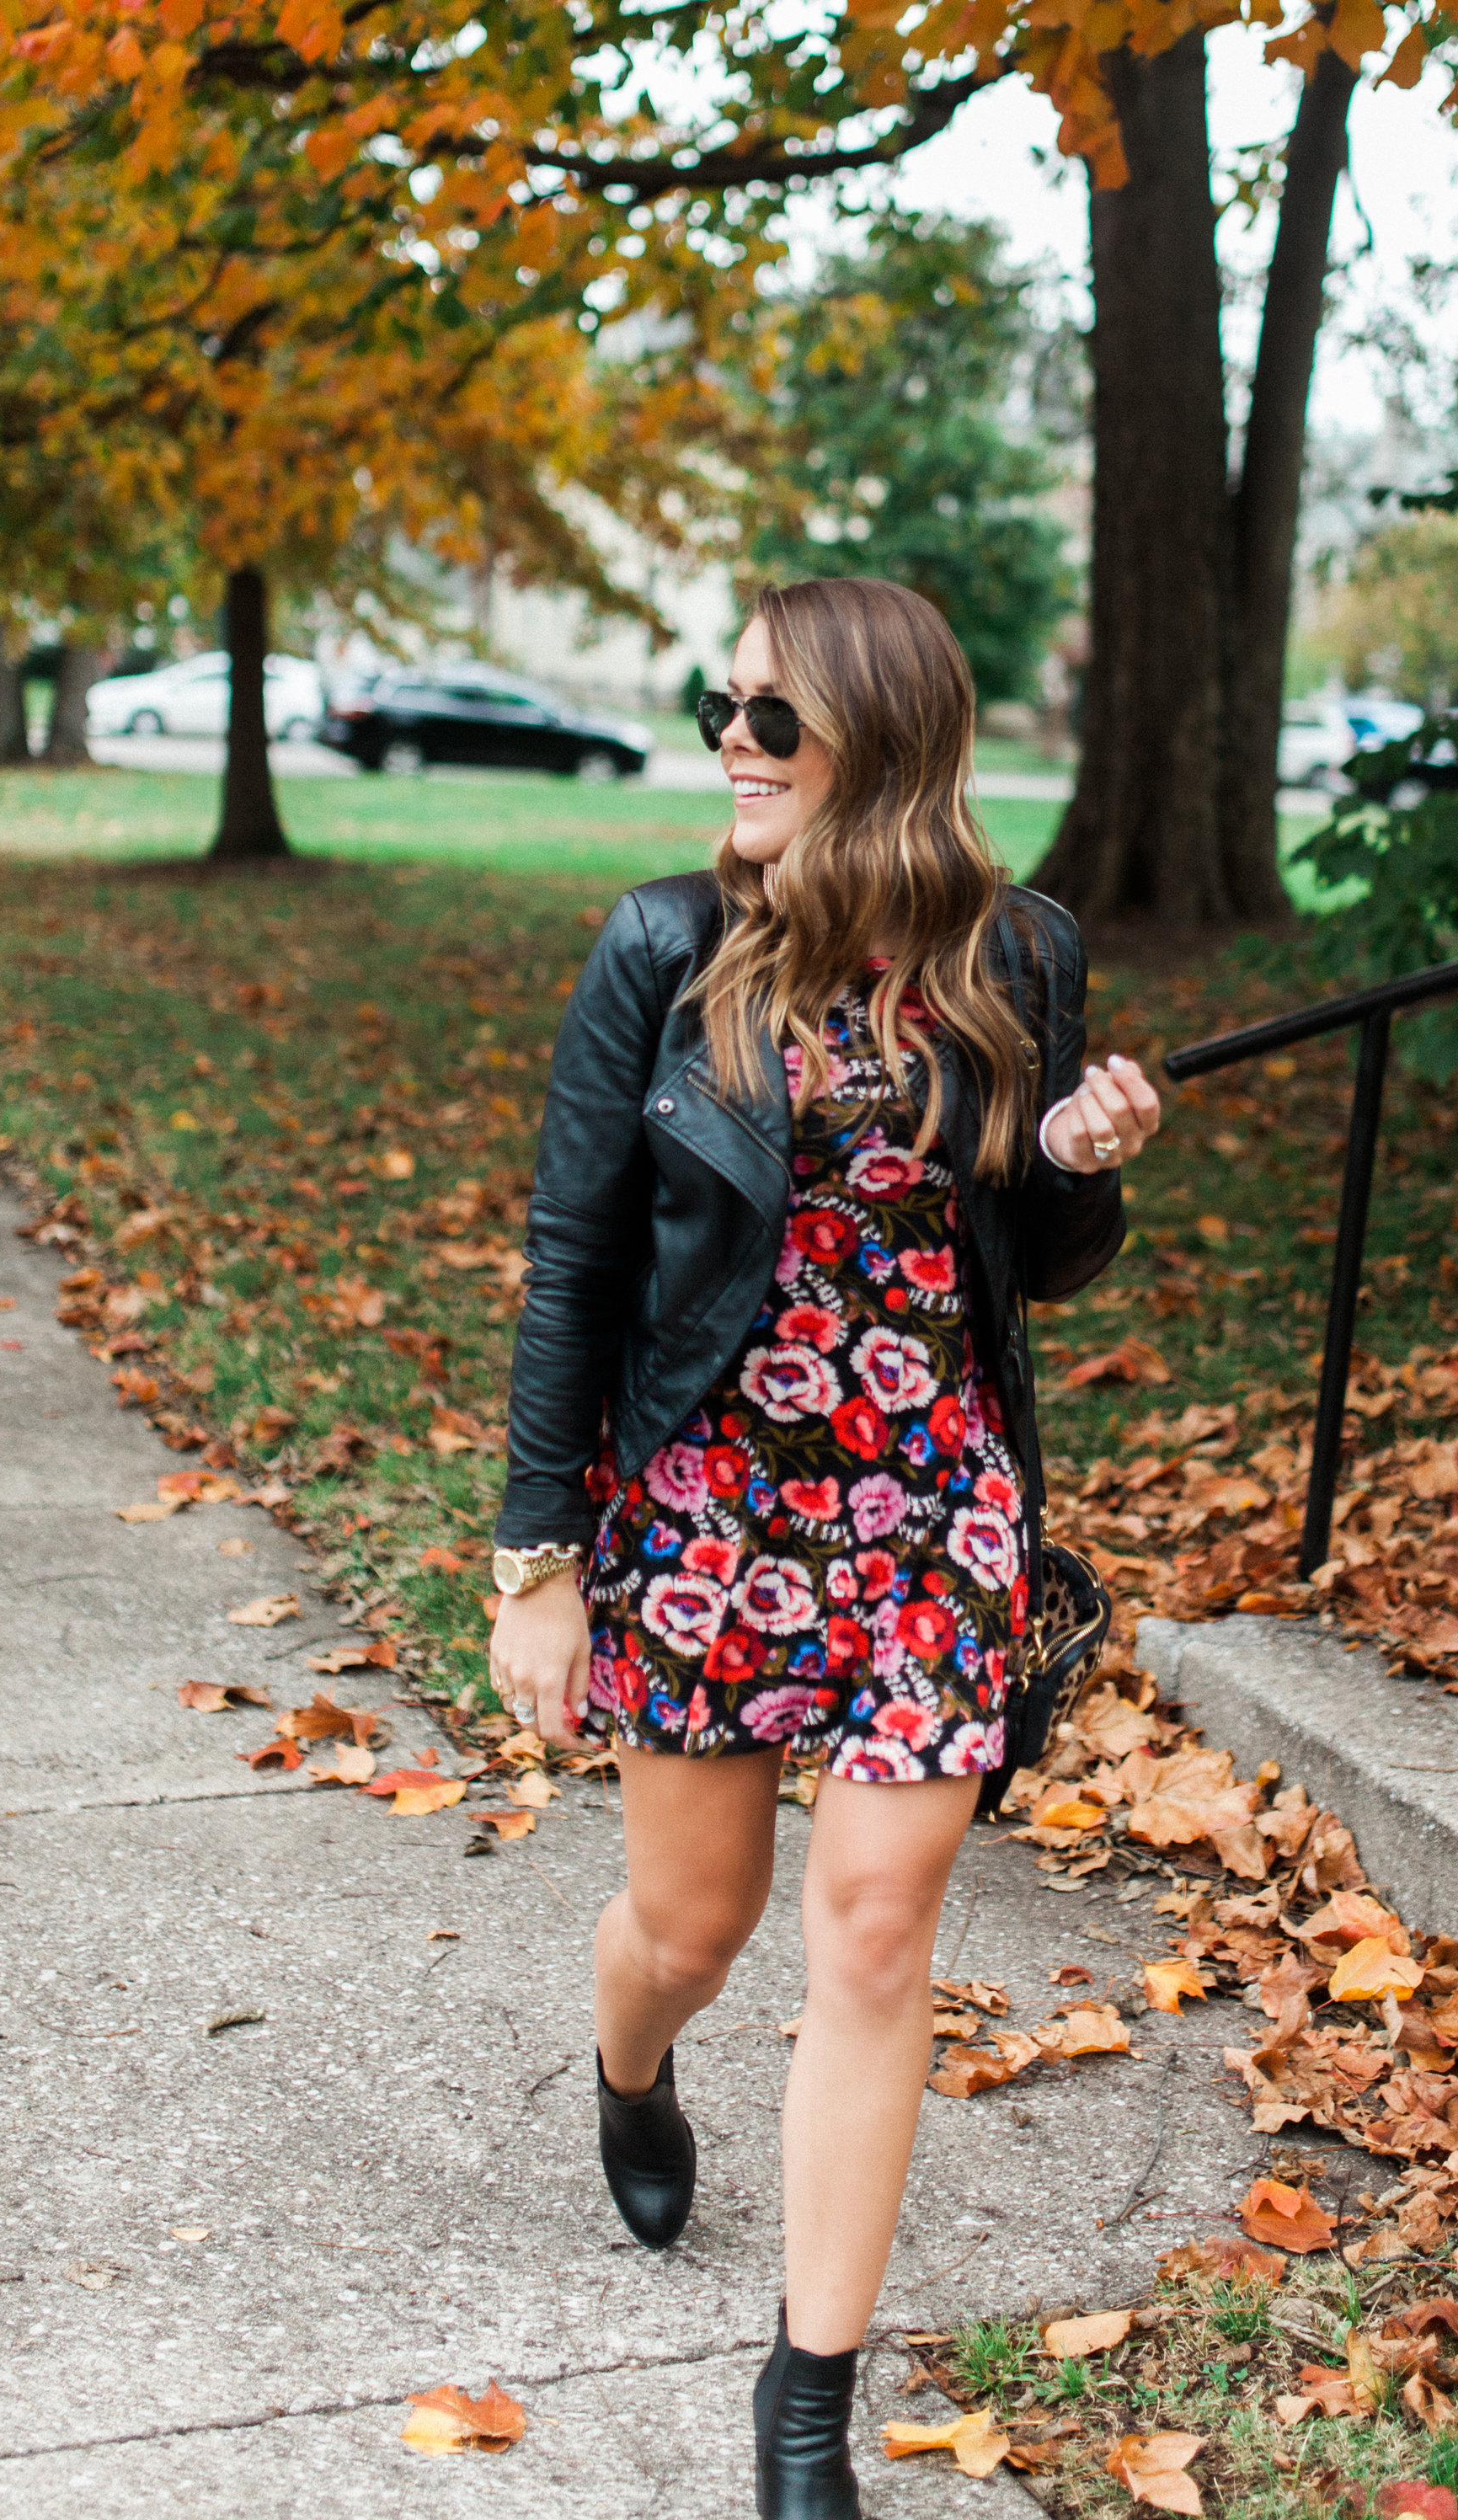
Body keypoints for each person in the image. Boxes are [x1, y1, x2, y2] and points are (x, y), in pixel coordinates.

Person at [489, 578, 1160, 2517]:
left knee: (873, 1929)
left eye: (770, 719)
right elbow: (574, 1261)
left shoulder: (1014, 951)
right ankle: (630, 2064)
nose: (730, 742)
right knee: (690, 1929)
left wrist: (1075, 1167)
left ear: (879, 739)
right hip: (710, 1492)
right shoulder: (664, 946)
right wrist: (537, 1551)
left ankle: (805, 2402)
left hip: (931, 1502)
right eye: (725, 708)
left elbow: (1019, 1256)